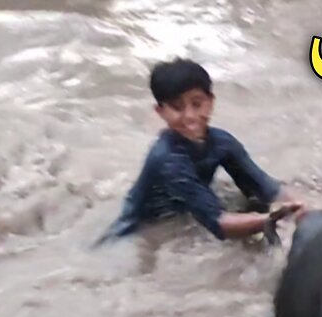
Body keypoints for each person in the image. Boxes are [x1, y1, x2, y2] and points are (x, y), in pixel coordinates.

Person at [94, 58, 306, 247]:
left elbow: (263, 186)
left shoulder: (222, 142)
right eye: (177, 107)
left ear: (211, 102)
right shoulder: (167, 158)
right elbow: (219, 224)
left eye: (197, 104)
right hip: (140, 229)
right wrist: (269, 219)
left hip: (188, 208)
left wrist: (300, 205)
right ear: (160, 112)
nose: (190, 116)